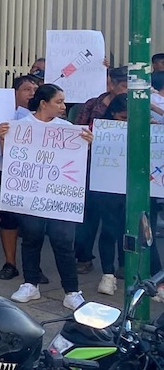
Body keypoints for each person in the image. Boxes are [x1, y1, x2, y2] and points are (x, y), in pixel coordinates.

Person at [0, 84, 91, 311]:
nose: (63, 106)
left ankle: (71, 291)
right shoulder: (21, 127)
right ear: (43, 103)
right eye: (58, 102)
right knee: (31, 237)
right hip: (30, 196)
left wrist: (87, 144)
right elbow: (11, 160)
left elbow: (76, 163)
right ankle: (30, 283)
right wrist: (2, 139)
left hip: (58, 199)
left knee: (63, 240)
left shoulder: (68, 129)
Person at [74, 66, 130, 272]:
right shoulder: (92, 105)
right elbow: (76, 129)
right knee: (89, 217)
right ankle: (84, 257)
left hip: (119, 172)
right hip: (91, 168)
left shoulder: (136, 107)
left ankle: (124, 263)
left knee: (120, 220)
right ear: (111, 85)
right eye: (123, 86)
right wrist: (87, 139)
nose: (126, 91)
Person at [0, 75, 38, 281]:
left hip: (37, 175)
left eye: (35, 89)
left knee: (33, 221)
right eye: (27, 89)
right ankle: (10, 263)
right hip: (8, 172)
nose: (32, 93)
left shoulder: (48, 120)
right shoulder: (4, 116)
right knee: (9, 220)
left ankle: (34, 265)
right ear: (15, 93)